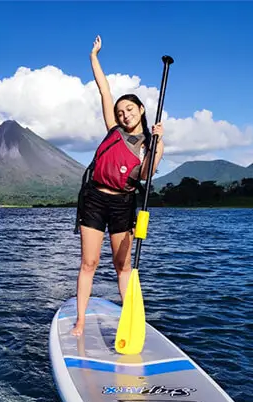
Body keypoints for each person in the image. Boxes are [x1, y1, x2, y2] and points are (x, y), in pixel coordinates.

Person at [71, 34, 165, 336]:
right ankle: (81, 321)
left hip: (124, 203)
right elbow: (104, 90)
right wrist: (94, 57)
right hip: (95, 199)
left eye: (129, 109)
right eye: (120, 111)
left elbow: (146, 175)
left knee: (122, 266)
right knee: (90, 262)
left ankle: (131, 321)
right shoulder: (112, 130)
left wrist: (159, 145)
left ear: (141, 110)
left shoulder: (149, 144)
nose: (123, 114)